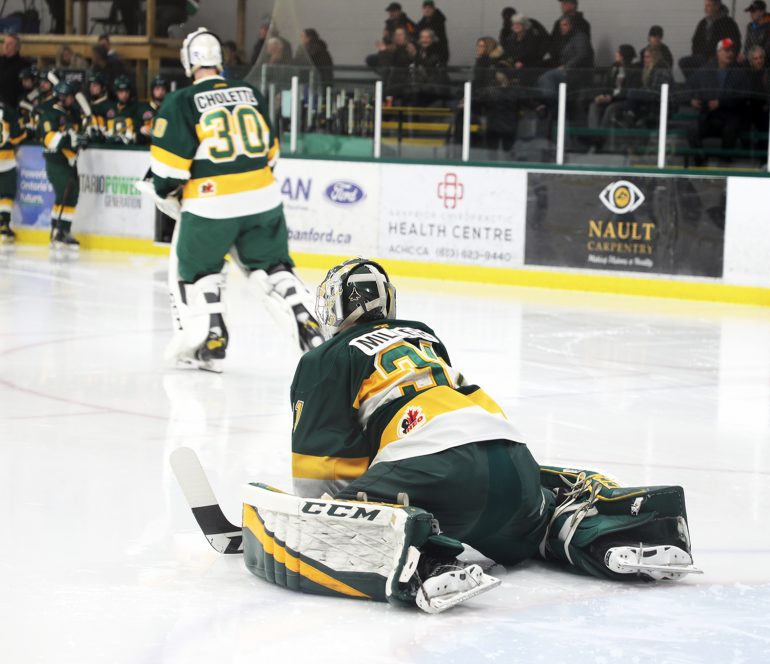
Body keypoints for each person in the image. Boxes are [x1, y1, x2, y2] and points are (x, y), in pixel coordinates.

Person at [274, 257, 698, 609]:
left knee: (346, 525)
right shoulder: (425, 336)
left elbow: (321, 477)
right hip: (514, 464)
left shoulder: (325, 357)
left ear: (332, 308)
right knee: (533, 527)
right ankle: (607, 539)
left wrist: (319, 518)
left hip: (437, 471)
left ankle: (428, 559)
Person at [148, 28, 325, 373]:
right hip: (263, 197)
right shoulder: (251, 93)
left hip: (210, 204)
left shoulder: (180, 101)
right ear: (219, 59)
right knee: (274, 265)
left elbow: (167, 173)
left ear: (188, 61)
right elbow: (272, 154)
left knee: (199, 269)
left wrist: (167, 191)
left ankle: (213, 334)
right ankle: (304, 317)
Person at [38, 80, 85, 251]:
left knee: (71, 194)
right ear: (63, 97)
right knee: (64, 193)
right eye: (70, 96)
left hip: (70, 161)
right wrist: (71, 140)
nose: (73, 100)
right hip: (56, 161)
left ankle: (63, 230)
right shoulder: (49, 114)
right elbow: (50, 140)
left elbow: (74, 135)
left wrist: (81, 139)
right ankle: (57, 230)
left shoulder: (70, 114)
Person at [686, 39, 748, 165]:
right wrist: (691, 99)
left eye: (732, 50)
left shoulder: (739, 73)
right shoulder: (705, 70)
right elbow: (689, 85)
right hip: (709, 117)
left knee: (730, 130)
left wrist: (721, 103)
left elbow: (742, 97)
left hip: (729, 117)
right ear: (718, 52)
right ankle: (700, 161)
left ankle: (724, 162)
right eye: (726, 50)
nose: (729, 53)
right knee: (692, 129)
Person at [680, 0, 742, 79]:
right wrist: (697, 54)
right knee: (684, 63)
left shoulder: (728, 23)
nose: (705, 8)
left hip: (718, 58)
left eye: (708, 6)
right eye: (705, 6)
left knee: (708, 65)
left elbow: (733, 42)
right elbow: (695, 41)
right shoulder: (703, 23)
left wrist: (719, 53)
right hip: (702, 57)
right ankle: (696, 86)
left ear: (716, 7)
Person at [0, 97, 26, 244]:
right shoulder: (9, 112)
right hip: (5, 160)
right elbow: (16, 139)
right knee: (6, 194)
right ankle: (4, 224)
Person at [106, 74, 141, 144]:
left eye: (126, 91)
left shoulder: (137, 108)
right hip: (110, 148)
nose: (124, 94)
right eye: (121, 91)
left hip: (129, 148)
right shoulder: (109, 107)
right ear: (116, 92)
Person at [0, 34, 31, 108]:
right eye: (5, 43)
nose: (6, 46)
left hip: (13, 106)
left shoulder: (24, 66)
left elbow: (26, 88)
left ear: (17, 47)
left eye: (10, 44)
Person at [135, 76, 167, 145]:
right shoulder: (143, 109)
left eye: (163, 89)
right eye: (157, 89)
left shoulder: (169, 109)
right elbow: (135, 126)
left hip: (165, 147)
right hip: (145, 147)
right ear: (152, 91)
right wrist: (140, 129)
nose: (160, 92)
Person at [86, 70, 114, 141]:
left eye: (95, 85)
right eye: (91, 85)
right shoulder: (87, 104)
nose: (92, 88)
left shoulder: (109, 106)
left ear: (103, 87)